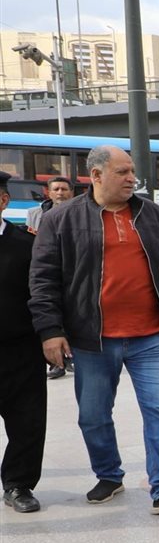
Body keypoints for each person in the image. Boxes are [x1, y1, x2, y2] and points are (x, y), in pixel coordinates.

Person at [29, 144, 159, 514]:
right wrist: (50, 330)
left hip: (152, 336)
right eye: (122, 172)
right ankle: (108, 475)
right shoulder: (62, 219)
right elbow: (43, 280)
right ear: (97, 175)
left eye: (132, 171)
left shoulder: (153, 215)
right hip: (92, 340)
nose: (132, 178)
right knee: (93, 415)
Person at [0, 172, 46, 513]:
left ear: (3, 201)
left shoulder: (26, 245)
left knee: (27, 421)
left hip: (20, 349)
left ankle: (18, 484)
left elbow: (43, 294)